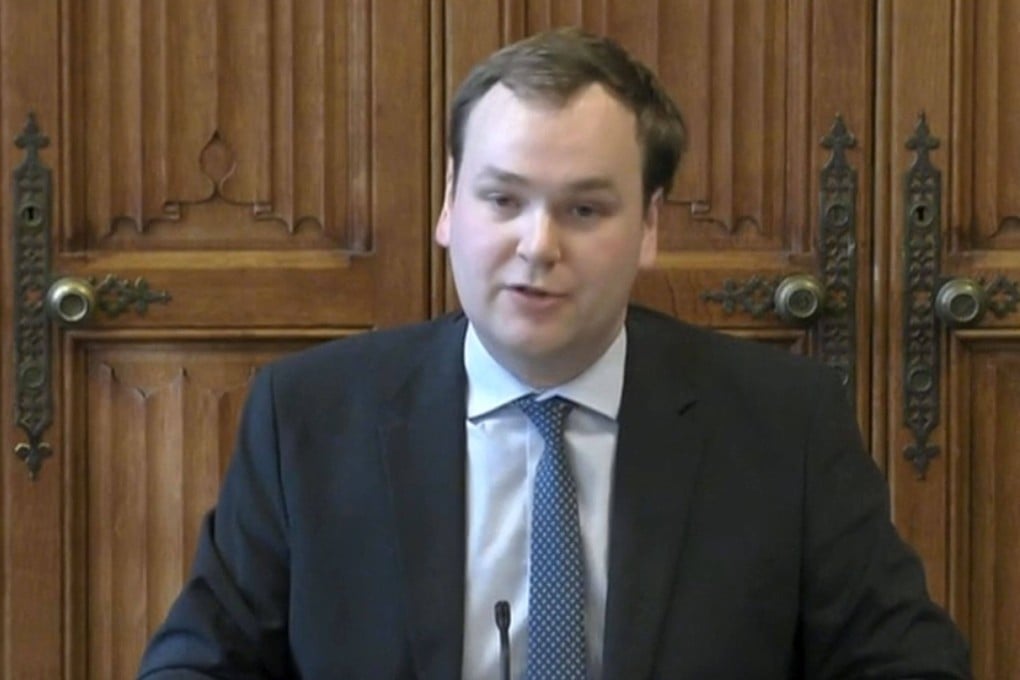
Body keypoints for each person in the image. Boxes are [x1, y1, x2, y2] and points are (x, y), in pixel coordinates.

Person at [138, 27, 970, 679]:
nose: (537, 246)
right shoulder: (309, 417)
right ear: (448, 205)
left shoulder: (782, 425)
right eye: (503, 199)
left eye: (584, 211)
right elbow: (198, 663)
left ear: (648, 226)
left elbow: (908, 664)